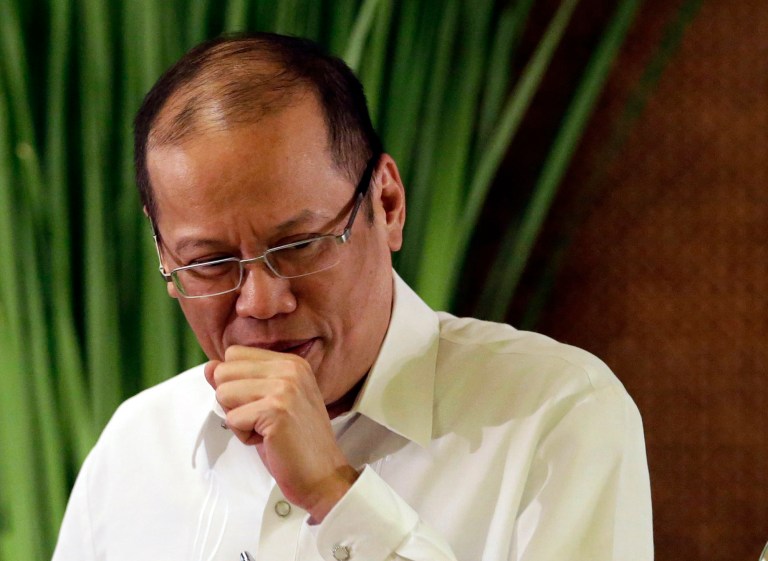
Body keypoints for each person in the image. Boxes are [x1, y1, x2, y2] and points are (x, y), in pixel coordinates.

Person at [53, 32, 653, 561]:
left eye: (300, 244)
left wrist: (337, 495)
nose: (261, 302)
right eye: (209, 263)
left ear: (387, 205)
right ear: (164, 255)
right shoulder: (136, 445)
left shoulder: (557, 414)